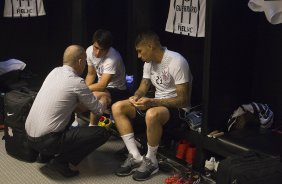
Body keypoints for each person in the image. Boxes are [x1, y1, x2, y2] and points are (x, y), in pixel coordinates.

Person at [112, 30, 193, 181]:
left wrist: (152, 102)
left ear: (150, 46)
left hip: (177, 109)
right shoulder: (148, 63)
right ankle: (135, 156)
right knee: (118, 107)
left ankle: (151, 161)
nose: (138, 56)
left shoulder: (177, 61)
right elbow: (143, 87)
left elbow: (183, 100)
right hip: (157, 102)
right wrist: (136, 97)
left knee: (152, 114)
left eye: (140, 51)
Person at [25, 45, 111, 178]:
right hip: (47, 141)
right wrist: (104, 97)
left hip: (30, 137)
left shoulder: (54, 72)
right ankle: (61, 162)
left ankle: (45, 155)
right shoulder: (77, 82)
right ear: (80, 61)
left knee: (67, 114)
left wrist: (91, 97)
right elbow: (98, 110)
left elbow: (71, 105)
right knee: (102, 132)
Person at [85, 29, 129, 126]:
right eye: (96, 47)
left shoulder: (113, 58)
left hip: (118, 90)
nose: (97, 53)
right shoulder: (89, 51)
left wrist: (82, 90)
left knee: (96, 96)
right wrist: (82, 92)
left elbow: (102, 85)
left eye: (102, 50)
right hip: (104, 88)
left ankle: (92, 127)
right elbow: (91, 75)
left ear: (108, 48)